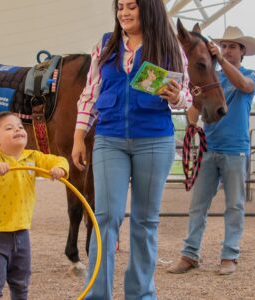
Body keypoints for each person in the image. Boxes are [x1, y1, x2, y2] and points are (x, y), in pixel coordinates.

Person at [71, 0, 192, 298]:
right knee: (106, 217)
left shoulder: (169, 46)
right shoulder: (105, 45)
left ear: (148, 8)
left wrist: (176, 97)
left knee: (145, 221)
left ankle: (140, 294)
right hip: (109, 138)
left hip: (154, 139)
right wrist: (79, 136)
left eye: (131, 6)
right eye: (120, 6)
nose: (123, 13)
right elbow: (90, 93)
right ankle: (98, 294)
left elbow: (187, 96)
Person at [167, 25, 255, 275]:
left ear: (243, 53)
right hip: (209, 148)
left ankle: (229, 255)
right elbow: (193, 112)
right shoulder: (210, 76)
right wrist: (190, 111)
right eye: (224, 46)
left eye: (232, 47)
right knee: (198, 204)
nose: (227, 50)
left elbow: (243, 85)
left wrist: (218, 58)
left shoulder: (251, 74)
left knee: (234, 205)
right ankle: (189, 254)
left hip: (235, 149)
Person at [0, 112, 69, 300]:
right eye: (9, 128)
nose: (17, 130)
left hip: (22, 234)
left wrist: (60, 169)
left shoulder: (33, 157)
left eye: (19, 127)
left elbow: (60, 159)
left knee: (20, 284)